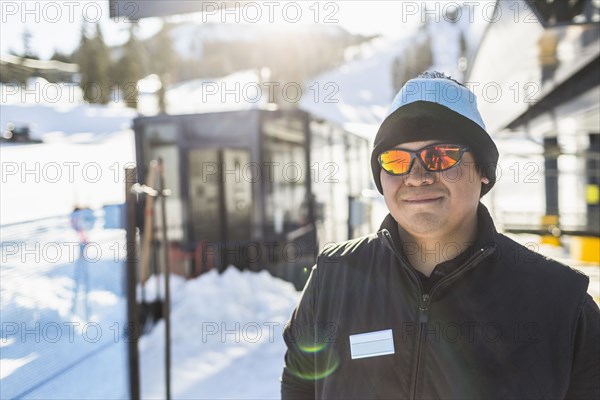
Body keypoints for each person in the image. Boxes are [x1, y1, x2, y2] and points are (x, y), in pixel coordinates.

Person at [280, 71, 600, 399]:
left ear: (483, 172)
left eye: (441, 156)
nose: (417, 176)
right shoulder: (333, 278)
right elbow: (300, 382)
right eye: (396, 159)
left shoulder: (560, 302)